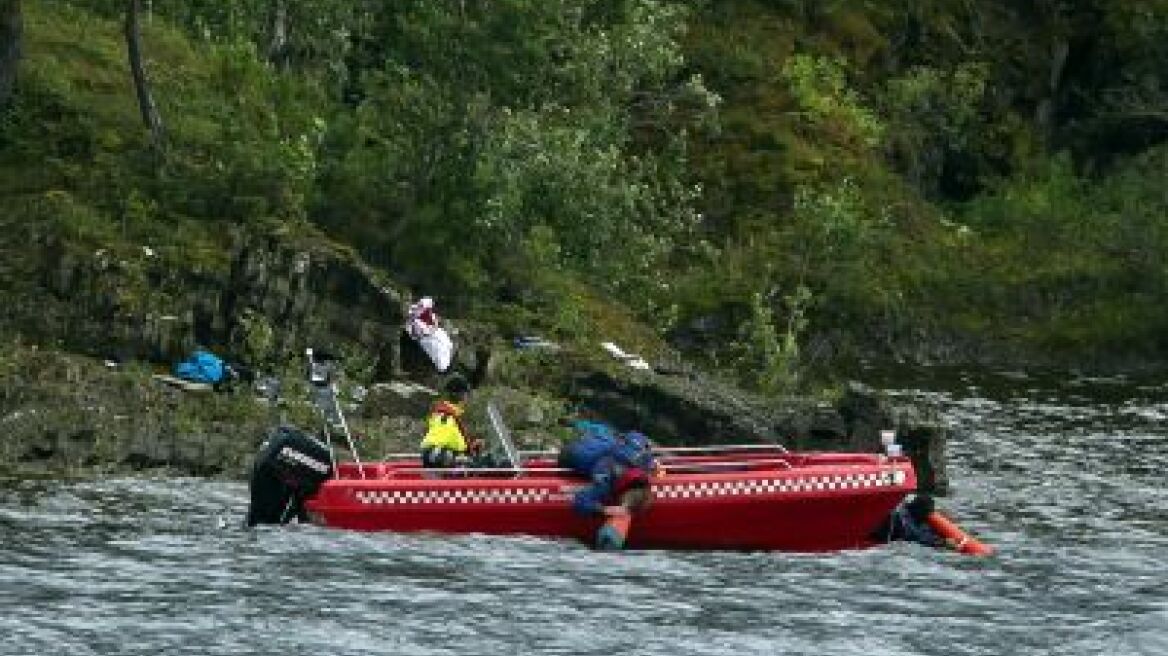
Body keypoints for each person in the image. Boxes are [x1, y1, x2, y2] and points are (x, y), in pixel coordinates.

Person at [558, 416, 657, 519]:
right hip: (571, 453)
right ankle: (577, 426)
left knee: (603, 431)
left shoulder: (643, 459)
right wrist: (604, 510)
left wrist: (650, 457)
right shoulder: (605, 482)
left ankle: (575, 423)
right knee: (601, 435)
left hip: (604, 440)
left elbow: (636, 435)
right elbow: (580, 502)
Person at [419, 375, 483, 468]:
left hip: (438, 461)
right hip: (441, 464)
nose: (467, 398)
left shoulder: (443, 414)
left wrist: (472, 446)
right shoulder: (447, 417)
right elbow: (446, 442)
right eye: (466, 394)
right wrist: (471, 449)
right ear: (461, 395)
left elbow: (452, 440)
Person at [872, 495, 952, 549]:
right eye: (927, 512)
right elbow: (915, 536)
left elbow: (923, 532)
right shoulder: (902, 518)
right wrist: (942, 543)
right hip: (885, 541)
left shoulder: (919, 517)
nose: (928, 515)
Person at [405, 296, 455, 372]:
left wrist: (432, 329)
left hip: (432, 332)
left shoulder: (429, 314)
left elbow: (435, 324)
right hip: (424, 338)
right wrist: (424, 333)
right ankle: (441, 365)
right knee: (435, 347)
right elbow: (414, 333)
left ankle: (444, 363)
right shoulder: (413, 319)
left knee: (445, 342)